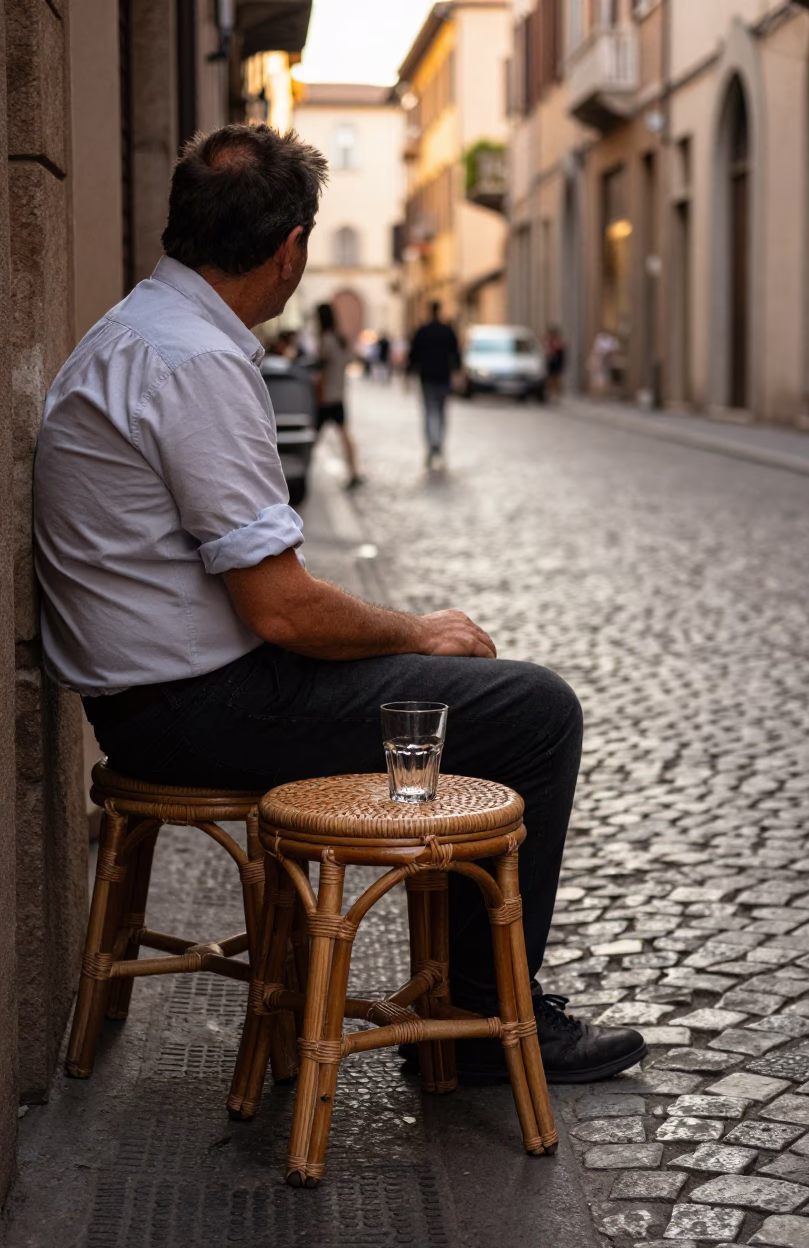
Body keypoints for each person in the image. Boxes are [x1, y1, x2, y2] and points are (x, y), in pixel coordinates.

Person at [33, 124, 645, 1085]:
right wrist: (415, 630)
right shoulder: (195, 359)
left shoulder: (133, 331)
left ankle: (463, 1001)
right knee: (531, 710)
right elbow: (283, 611)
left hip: (149, 700)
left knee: (453, 688)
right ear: (289, 250)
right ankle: (483, 1015)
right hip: (200, 708)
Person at [314, 302, 362, 489]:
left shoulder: (326, 339)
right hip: (338, 394)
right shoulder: (340, 338)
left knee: (313, 437)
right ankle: (354, 470)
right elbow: (348, 360)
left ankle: (297, 474)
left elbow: (321, 370)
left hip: (326, 396)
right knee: (344, 434)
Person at [408, 301, 461, 469]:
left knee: (430, 412)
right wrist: (457, 373)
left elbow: (413, 356)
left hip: (428, 378)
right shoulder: (447, 331)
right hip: (443, 378)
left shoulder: (423, 331)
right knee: (441, 412)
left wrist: (408, 375)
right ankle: (438, 444)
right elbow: (456, 355)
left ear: (429, 311)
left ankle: (433, 444)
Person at [545, 325, 567, 402]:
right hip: (551, 362)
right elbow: (547, 352)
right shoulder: (549, 341)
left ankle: (556, 394)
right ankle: (551, 394)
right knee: (551, 379)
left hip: (557, 362)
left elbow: (562, 353)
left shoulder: (559, 342)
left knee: (556, 379)